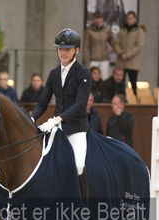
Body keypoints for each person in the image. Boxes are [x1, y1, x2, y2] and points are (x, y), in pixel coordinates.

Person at [32, 28, 91, 178]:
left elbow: (80, 105)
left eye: (67, 49)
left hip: (76, 128)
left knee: (78, 165)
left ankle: (81, 200)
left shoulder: (83, 73)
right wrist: (32, 118)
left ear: (76, 50)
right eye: (60, 49)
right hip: (56, 128)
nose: (63, 53)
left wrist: (57, 119)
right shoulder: (53, 74)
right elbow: (43, 103)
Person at [114, 11, 145, 96]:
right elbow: (116, 43)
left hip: (133, 62)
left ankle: (134, 100)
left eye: (131, 18)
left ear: (135, 19)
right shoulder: (121, 31)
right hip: (122, 61)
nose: (129, 20)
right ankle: (120, 99)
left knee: (133, 83)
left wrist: (128, 55)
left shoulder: (139, 31)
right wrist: (121, 53)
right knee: (120, 83)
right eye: (128, 18)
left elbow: (138, 46)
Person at [83, 10, 115, 80]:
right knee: (91, 79)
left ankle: (103, 91)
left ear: (102, 19)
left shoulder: (106, 30)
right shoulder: (88, 30)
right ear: (93, 19)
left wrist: (114, 49)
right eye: (96, 18)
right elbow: (85, 47)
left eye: (99, 18)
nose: (98, 20)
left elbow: (112, 41)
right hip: (93, 59)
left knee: (105, 79)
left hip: (104, 59)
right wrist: (85, 60)